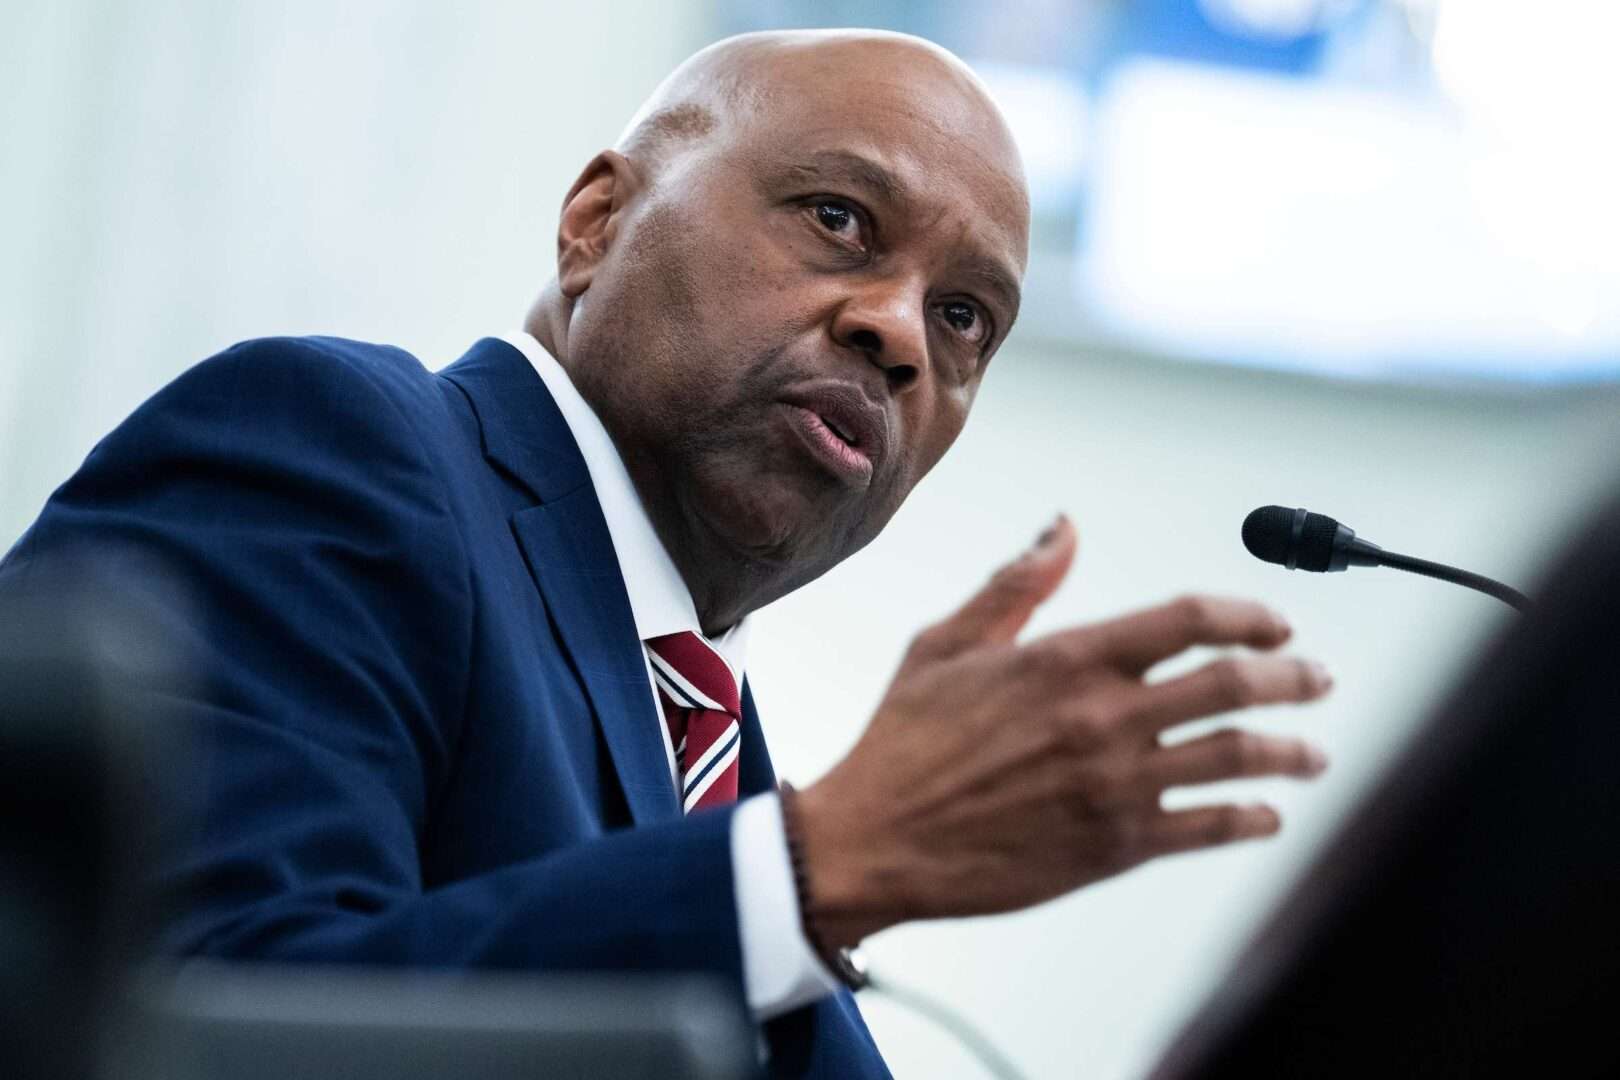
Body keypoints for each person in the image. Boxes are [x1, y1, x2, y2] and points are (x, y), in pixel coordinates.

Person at [0, 29, 1331, 1078]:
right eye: (840, 220)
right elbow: (166, 1027)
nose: (901, 334)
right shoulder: (334, 450)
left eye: (967, 317)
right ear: (595, 218)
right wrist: (816, 872)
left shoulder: (717, 755)